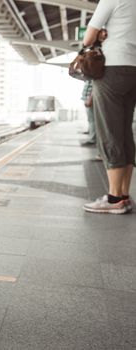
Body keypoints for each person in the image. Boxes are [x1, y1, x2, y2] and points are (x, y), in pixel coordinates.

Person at [82, 0, 136, 214]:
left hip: (112, 69)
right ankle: (124, 195)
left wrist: (100, 36)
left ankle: (113, 198)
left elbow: (88, 38)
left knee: (110, 132)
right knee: (124, 133)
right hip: (134, 70)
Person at [80, 80, 96, 146]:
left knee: (93, 120)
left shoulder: (94, 76)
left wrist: (90, 99)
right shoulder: (89, 77)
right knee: (90, 119)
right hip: (87, 99)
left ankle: (92, 140)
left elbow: (94, 87)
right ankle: (91, 133)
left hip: (90, 100)